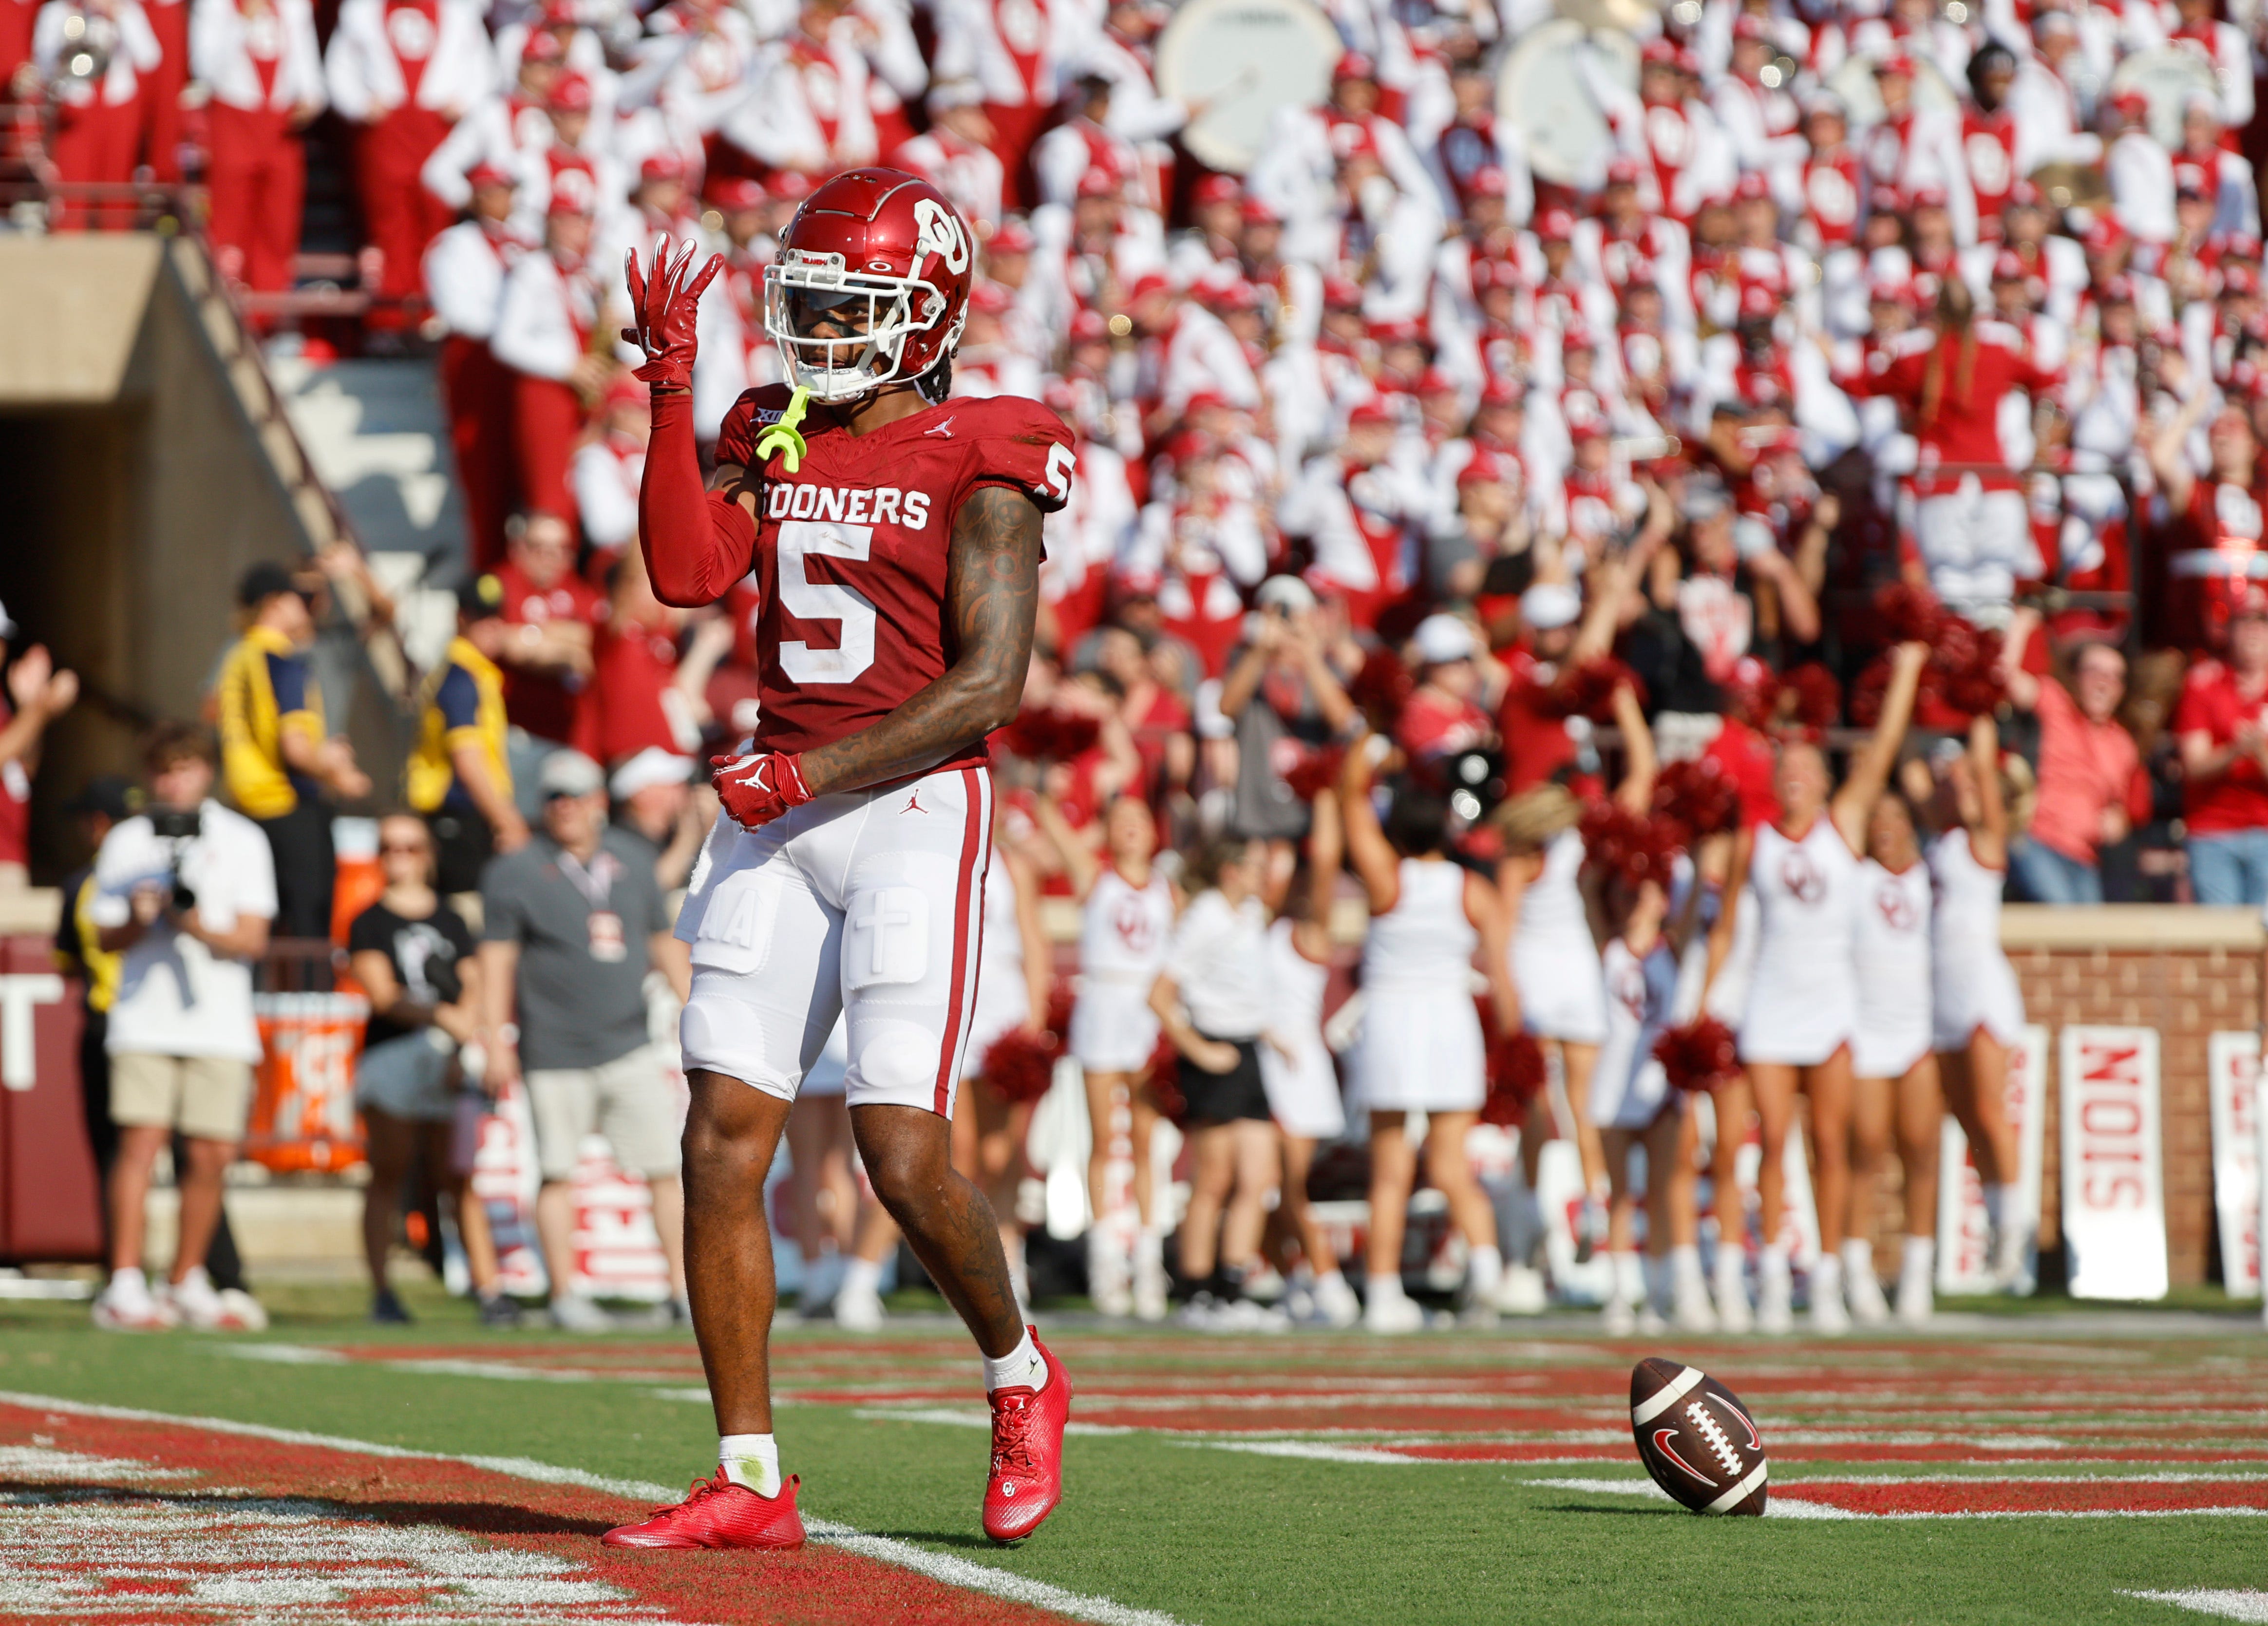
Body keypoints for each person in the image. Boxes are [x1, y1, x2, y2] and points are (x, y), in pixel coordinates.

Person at [608, 172, 1077, 1551]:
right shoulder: (777, 423)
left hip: (911, 806)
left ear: (925, 315)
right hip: (778, 811)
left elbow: (990, 684)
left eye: (849, 305)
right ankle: (750, 1476)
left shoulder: (986, 450)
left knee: (901, 1151)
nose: (816, 327)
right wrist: (671, 389)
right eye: (806, 300)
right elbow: (692, 576)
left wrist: (808, 771)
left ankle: (1020, 1371)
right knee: (718, 1142)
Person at [1705, 642, 1927, 1333]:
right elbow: (1727, 931)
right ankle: (1771, 1276)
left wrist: (1910, 669)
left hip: (1833, 1005)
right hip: (1771, 1002)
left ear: (1826, 780)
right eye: (1786, 766)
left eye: (1807, 766)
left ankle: (1827, 1277)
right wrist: (1706, 1007)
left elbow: (1885, 745)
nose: (1795, 774)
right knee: (1771, 1140)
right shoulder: (1756, 842)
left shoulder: (1845, 825)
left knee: (1830, 1142)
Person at [477, 749, 690, 1332]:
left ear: (598, 800)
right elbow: (497, 961)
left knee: (663, 1169)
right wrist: (496, 1039)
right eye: (553, 798)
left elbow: (662, 939)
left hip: (629, 1039)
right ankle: (565, 1294)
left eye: (574, 796)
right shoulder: (516, 869)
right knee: (556, 1170)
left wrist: (695, 1009)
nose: (564, 808)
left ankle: (681, 1290)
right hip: (554, 1048)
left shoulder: (632, 857)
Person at [87, 723, 276, 1332]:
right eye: (165, 769)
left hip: (220, 1021)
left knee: (212, 1153)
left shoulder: (242, 838)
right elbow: (104, 935)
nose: (176, 780)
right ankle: (123, 1282)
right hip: (145, 1018)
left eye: (187, 767)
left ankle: (186, 1276)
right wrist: (144, 918)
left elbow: (251, 936)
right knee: (140, 1146)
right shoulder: (128, 839)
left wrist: (190, 922)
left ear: (208, 771)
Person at [1339, 737, 1521, 1332]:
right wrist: (1515, 1043)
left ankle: (1385, 1293)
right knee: (1450, 1164)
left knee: (1391, 1168)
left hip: (1393, 1021)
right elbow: (1502, 976)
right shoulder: (1476, 889)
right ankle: (1489, 1273)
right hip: (1450, 1023)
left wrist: (1367, 750)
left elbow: (1348, 801)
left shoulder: (1386, 876)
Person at [348, 813, 513, 1325]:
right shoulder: (368, 919)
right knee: (390, 1170)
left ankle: (491, 1291)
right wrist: (446, 1016)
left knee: (457, 1176)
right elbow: (383, 994)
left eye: (411, 847)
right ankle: (382, 1291)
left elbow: (473, 981)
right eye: (390, 847)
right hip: (393, 1052)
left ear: (427, 853)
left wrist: (474, 1035)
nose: (400, 856)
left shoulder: (451, 918)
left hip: (446, 1051)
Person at [1044, 790, 1174, 1321]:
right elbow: (1053, 820)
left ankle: (1149, 1262)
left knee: (1146, 1141)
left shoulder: (1170, 887)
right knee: (1103, 1139)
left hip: (1148, 1008)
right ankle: (1106, 1264)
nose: (1130, 829)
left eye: (1139, 819)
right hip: (1103, 1004)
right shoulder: (1094, 876)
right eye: (1119, 821)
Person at [1589, 830, 1712, 1335]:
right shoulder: (1607, 946)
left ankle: (1664, 1289)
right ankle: (1620, 1290)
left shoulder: (1674, 948)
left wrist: (1700, 853)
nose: (1634, 899)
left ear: (1664, 899)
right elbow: (1586, 886)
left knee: (1666, 1189)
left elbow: (1700, 889)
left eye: (1644, 891)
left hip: (1662, 1085)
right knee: (1619, 1193)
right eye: (1626, 891)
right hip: (1611, 1083)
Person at [1151, 834, 1277, 1327]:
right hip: (1213, 1047)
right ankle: (1197, 1290)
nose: (1263, 875)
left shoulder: (1249, 914)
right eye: (1255, 865)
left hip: (1247, 1050)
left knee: (1258, 1175)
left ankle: (1232, 1287)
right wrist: (1200, 1049)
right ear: (1231, 870)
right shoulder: (1206, 914)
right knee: (1215, 1177)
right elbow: (1161, 994)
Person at [1928, 713, 2033, 1292]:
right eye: (1957, 782)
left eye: (1973, 783)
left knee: (1992, 1113)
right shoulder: (1934, 837)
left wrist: (1977, 712)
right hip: (1940, 990)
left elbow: (1986, 784)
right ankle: (1997, 1229)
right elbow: (1911, 770)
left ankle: (2015, 1235)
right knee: (1966, 1118)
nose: (1964, 790)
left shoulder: (1985, 840)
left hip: (1980, 987)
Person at [216, 562, 371, 940]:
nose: (308, 607)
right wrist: (336, 770)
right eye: (298, 598)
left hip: (251, 804)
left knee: (266, 924)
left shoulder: (241, 655)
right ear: (276, 604)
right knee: (308, 929)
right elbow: (295, 748)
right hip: (289, 806)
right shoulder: (281, 660)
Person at [1258, 786, 1360, 1328]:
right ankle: (1295, 1280)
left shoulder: (1307, 930)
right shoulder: (1254, 925)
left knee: (1289, 1187)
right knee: (1261, 1190)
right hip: (1261, 1065)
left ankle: (1329, 1282)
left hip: (1296, 1069)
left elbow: (1323, 865)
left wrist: (1325, 793)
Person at [950, 814, 1054, 1309]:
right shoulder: (941, 852)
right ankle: (965, 1271)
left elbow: (1034, 941)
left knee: (1006, 1151)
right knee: (962, 1152)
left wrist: (1035, 1021)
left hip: (1004, 1015)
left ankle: (1010, 1260)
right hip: (953, 1010)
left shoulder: (1013, 862)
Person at [1847, 785, 1940, 1327]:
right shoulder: (1855, 879)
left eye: (1895, 815)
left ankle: (1917, 1273)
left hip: (1917, 1033)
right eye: (1875, 815)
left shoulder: (1932, 878)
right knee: (1865, 1149)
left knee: (1922, 1150)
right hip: (1866, 1032)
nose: (1884, 824)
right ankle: (1857, 1271)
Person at [407, 573, 528, 896]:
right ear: (461, 618)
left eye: (496, 616)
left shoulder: (470, 672)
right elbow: (468, 761)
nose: (492, 626)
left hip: (467, 812)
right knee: (468, 909)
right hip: (460, 814)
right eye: (481, 617)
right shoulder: (461, 678)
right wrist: (507, 821)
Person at [2003, 635, 2146, 906]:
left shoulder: (2123, 744)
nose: (2104, 683)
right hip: (2037, 842)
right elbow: (2007, 677)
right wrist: (2023, 621)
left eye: (2115, 677)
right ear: (2076, 677)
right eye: (2095, 672)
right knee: (2063, 918)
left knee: (2088, 939)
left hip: (2084, 857)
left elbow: (2123, 808)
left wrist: (2120, 822)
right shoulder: (2055, 703)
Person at [2173, 594, 2268, 906]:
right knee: (2222, 942)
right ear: (2229, 631)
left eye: (2262, 623)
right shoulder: (2204, 685)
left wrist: (2258, 752)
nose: (2254, 632)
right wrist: (2236, 750)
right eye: (2245, 622)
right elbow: (2194, 765)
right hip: (2213, 831)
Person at [0, 605, 79, 889]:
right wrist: (40, 708)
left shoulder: (3, 702)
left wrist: (28, 707)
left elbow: (23, 770)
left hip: (11, 855)